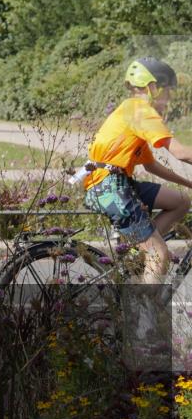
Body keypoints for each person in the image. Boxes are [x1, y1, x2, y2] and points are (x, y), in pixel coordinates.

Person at [82, 58, 192, 285]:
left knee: (181, 201)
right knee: (158, 253)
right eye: (167, 92)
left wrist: (189, 184)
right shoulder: (141, 111)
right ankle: (145, 308)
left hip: (116, 183)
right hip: (109, 188)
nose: (169, 99)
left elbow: (151, 165)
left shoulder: (131, 110)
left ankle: (142, 248)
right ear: (153, 87)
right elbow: (181, 152)